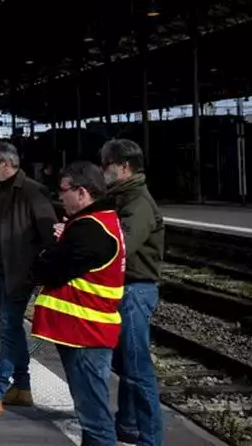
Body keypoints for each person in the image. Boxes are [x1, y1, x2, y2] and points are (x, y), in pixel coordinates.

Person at [33, 161, 126, 446]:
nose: (60, 196)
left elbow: (49, 270)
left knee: (94, 417)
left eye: (64, 190)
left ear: (83, 193)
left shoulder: (89, 229)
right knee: (90, 414)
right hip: (87, 331)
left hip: (86, 333)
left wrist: (47, 251)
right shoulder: (102, 221)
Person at [0, 140, 57, 421]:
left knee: (7, 328)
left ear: (6, 164)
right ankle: (22, 387)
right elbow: (1, 229)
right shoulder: (1, 190)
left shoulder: (31, 192)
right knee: (12, 329)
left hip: (18, 274)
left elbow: (49, 235)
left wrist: (35, 270)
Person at [100, 139, 165, 446]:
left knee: (138, 369)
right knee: (126, 364)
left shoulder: (137, 202)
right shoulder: (121, 197)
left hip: (135, 291)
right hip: (125, 290)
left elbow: (121, 245)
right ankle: (126, 424)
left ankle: (151, 439)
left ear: (123, 167)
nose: (103, 171)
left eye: (106, 165)